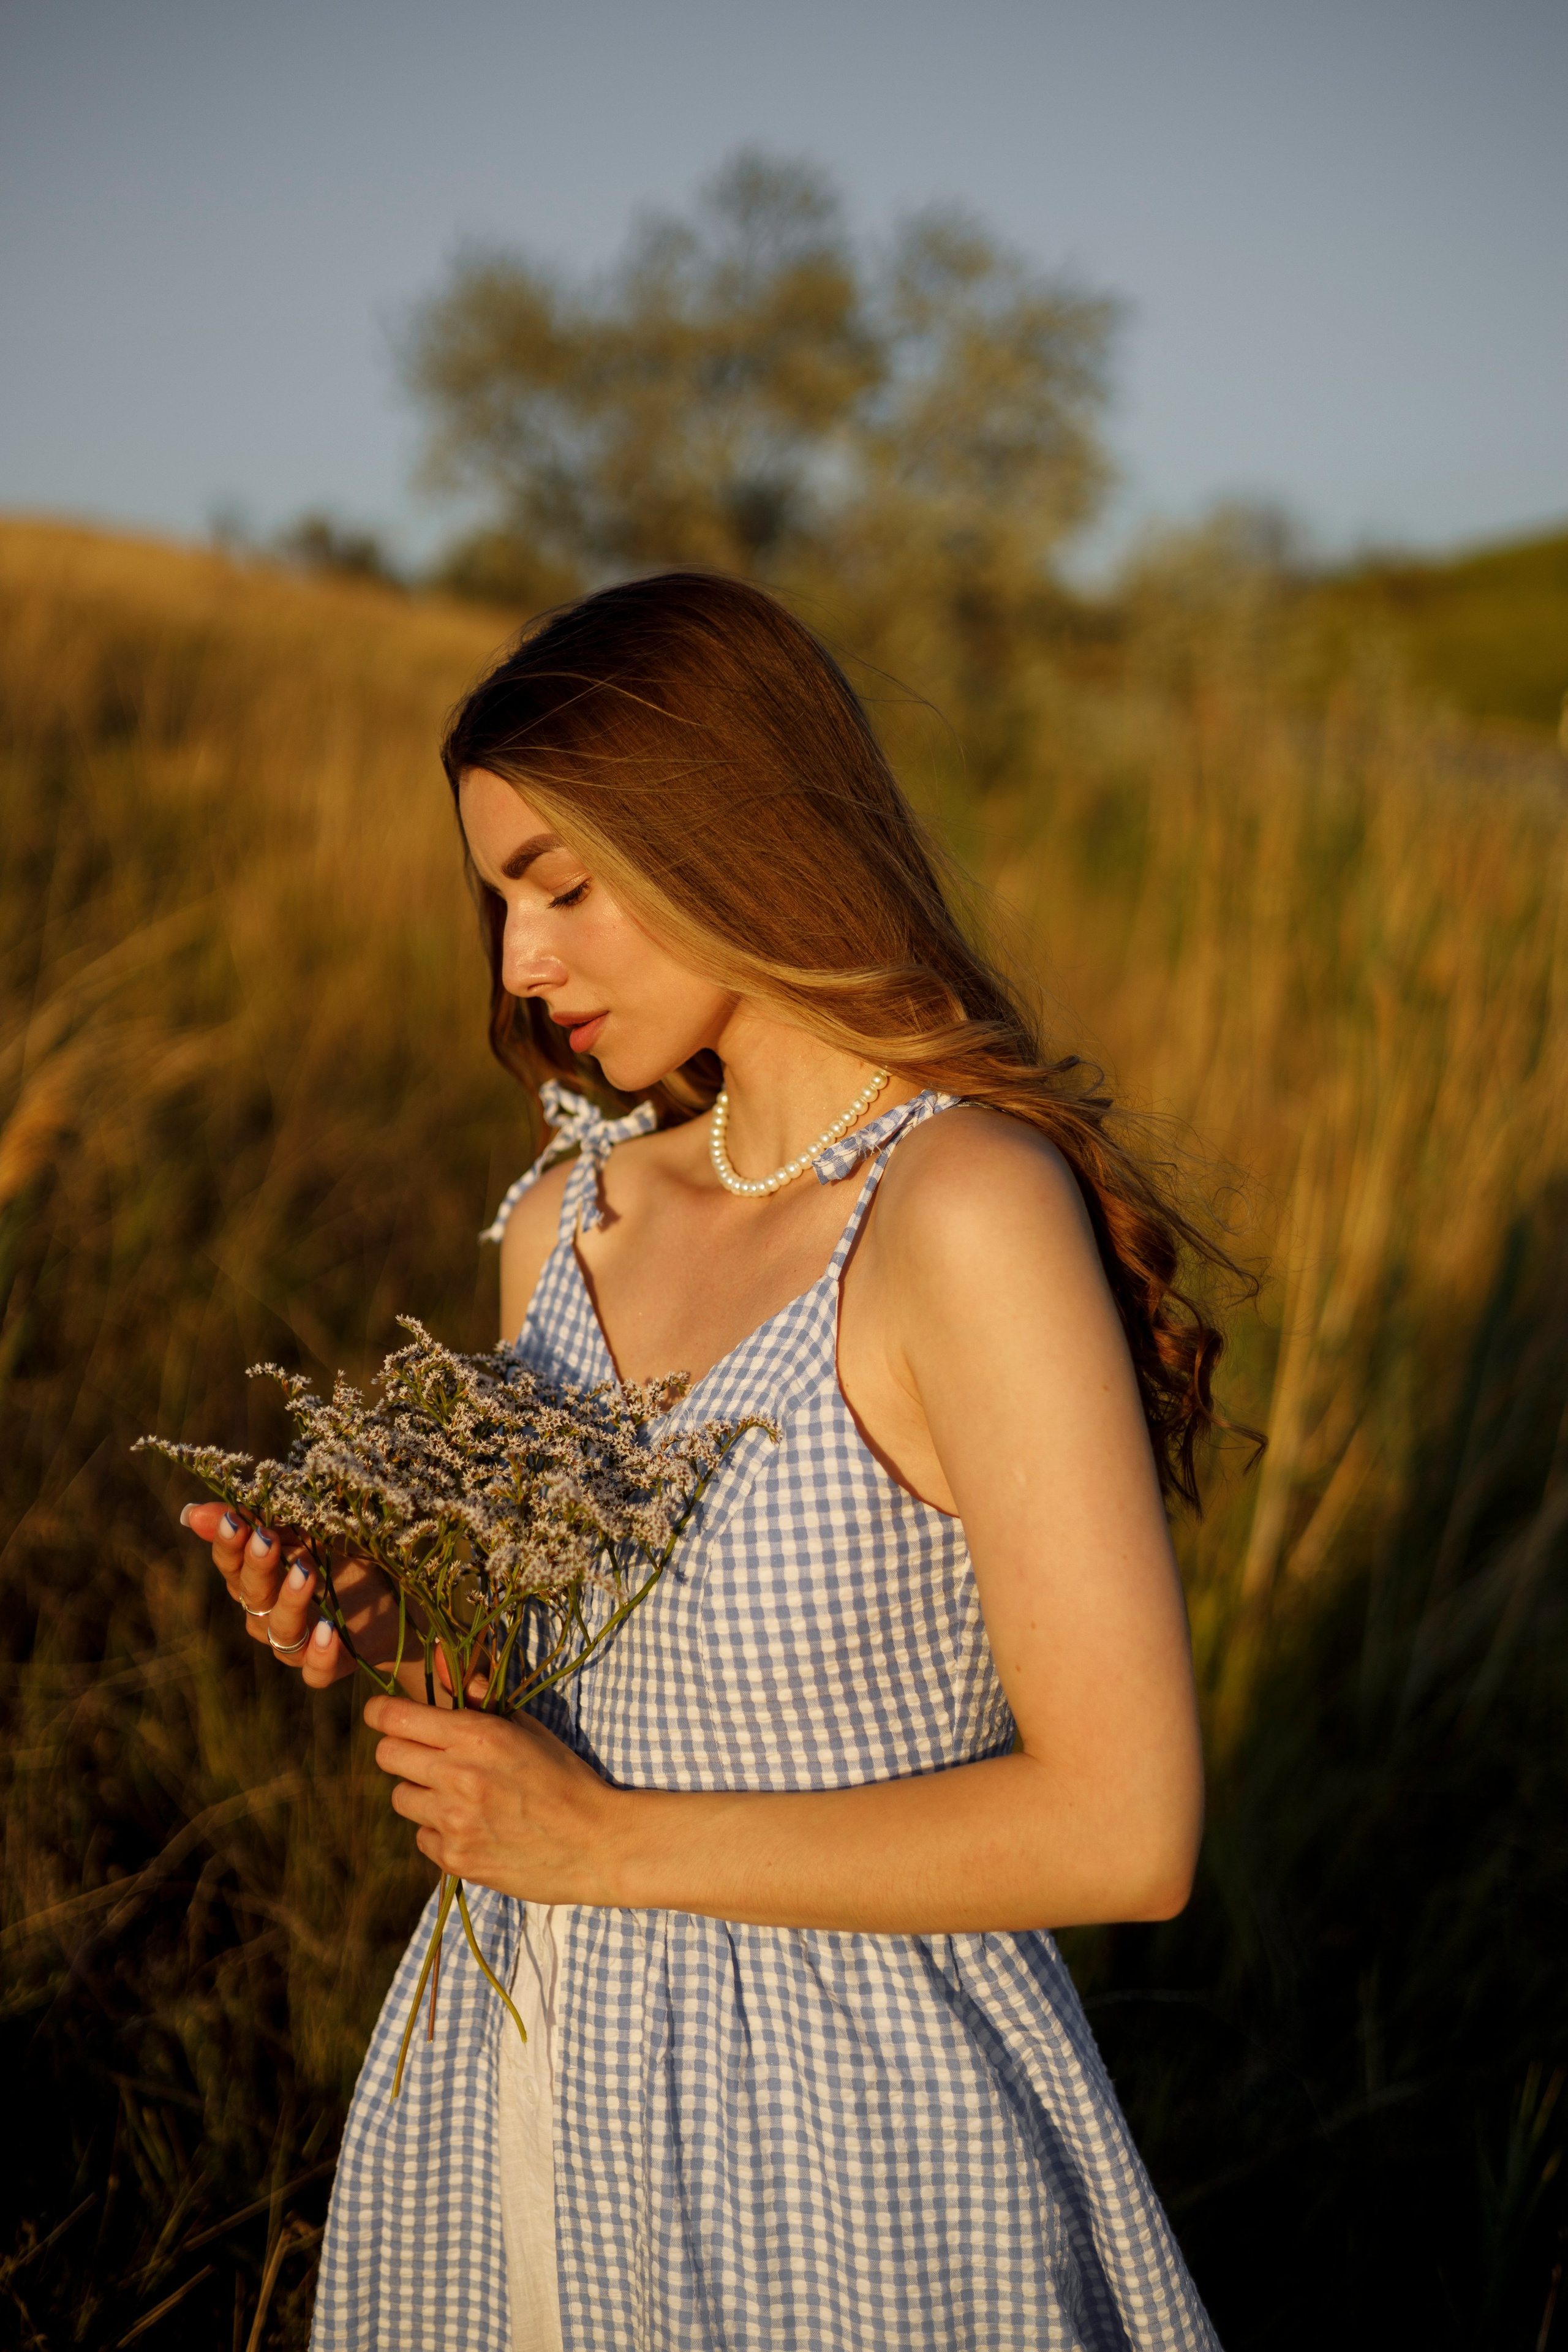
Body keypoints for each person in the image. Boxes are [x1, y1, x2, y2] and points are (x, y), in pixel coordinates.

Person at [182, 573, 1235, 2351]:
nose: (520, 964)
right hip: (515, 2088)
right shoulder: (564, 1226)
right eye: (498, 899)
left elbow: (1127, 1830)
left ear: (739, 833)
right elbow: (582, 1707)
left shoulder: (959, 1211)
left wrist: (599, 1845)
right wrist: (397, 1619)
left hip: (845, 2136)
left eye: (562, 889)